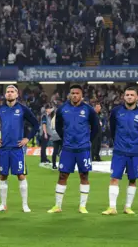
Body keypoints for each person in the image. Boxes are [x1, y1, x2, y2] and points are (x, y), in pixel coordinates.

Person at [47, 85, 99, 214]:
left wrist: (88, 141)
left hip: (83, 149)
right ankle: (57, 206)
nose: (75, 95)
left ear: (82, 95)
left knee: (84, 175)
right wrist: (64, 138)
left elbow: (96, 127)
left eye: (77, 93)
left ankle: (82, 206)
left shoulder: (88, 110)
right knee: (62, 175)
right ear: (69, 95)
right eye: (72, 93)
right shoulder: (62, 109)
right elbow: (58, 126)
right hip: (68, 149)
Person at [0, 85, 39, 213]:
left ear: (17, 94)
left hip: (17, 148)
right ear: (5, 95)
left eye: (12, 92)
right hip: (4, 148)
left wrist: (27, 139)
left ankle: (25, 205)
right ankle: (3, 204)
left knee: (21, 175)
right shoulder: (0, 110)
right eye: (7, 92)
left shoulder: (23, 109)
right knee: (2, 175)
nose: (9, 93)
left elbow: (35, 124)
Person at [103, 86, 138, 216]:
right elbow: (112, 129)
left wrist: (135, 143)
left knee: (132, 180)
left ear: (136, 97)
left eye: (131, 95)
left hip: (134, 152)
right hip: (119, 151)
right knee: (114, 178)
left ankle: (127, 207)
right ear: (123, 97)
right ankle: (112, 207)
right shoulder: (116, 111)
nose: (129, 97)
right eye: (127, 94)